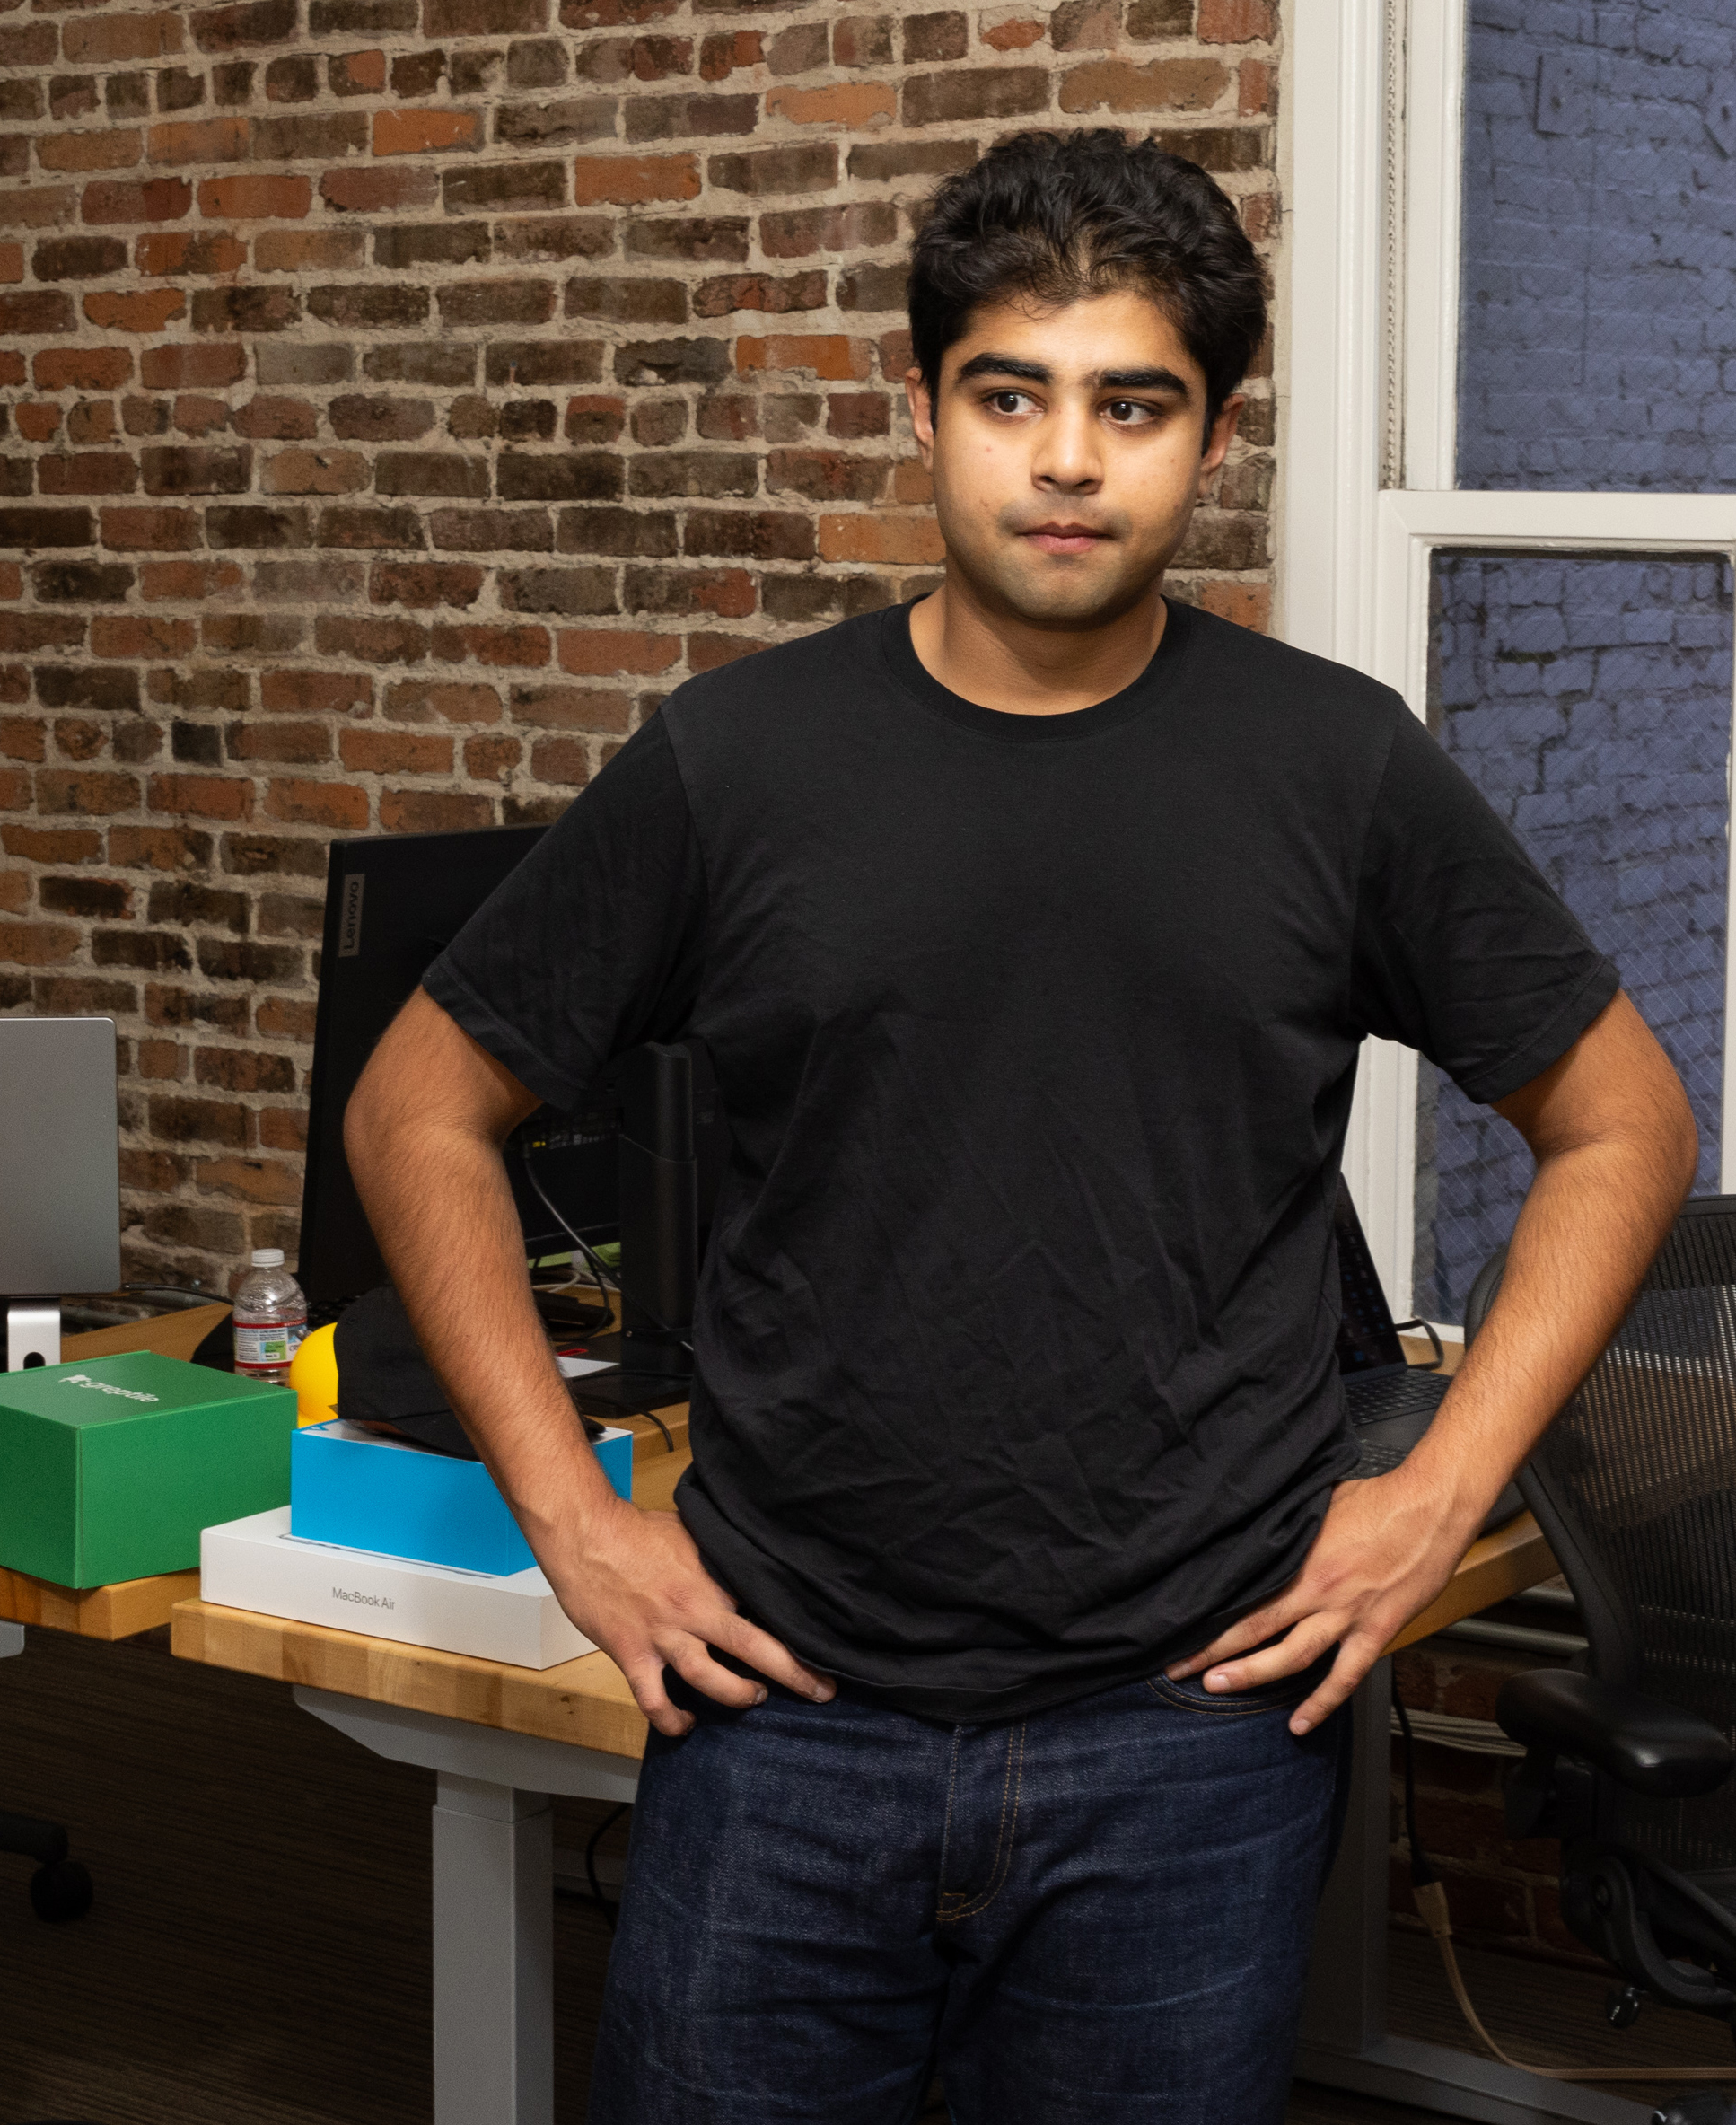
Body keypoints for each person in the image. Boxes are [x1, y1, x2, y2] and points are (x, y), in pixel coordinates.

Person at [339, 129, 1697, 2124]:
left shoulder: (1332, 770)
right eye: (1011, 394)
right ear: (924, 409)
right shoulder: (738, 760)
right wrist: (572, 1521)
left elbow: (1624, 1124)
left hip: (1195, 1736)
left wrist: (1430, 1499)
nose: (1067, 457)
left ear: (1208, 437)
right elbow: (416, 1108)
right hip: (782, 1712)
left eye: (1130, 403)